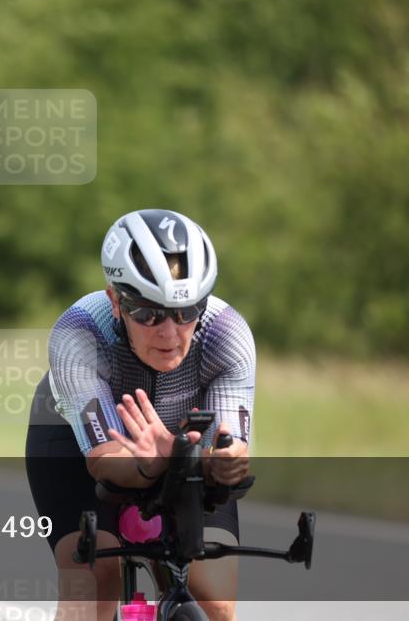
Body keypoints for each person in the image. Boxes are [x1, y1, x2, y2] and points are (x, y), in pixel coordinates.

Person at [24, 209, 255, 621]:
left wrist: (214, 463)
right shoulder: (79, 331)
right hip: (74, 444)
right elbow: (102, 460)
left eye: (186, 312)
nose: (169, 333)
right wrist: (155, 461)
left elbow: (232, 456)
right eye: (148, 313)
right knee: (94, 586)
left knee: (214, 601)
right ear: (115, 299)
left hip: (182, 451)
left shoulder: (226, 334)